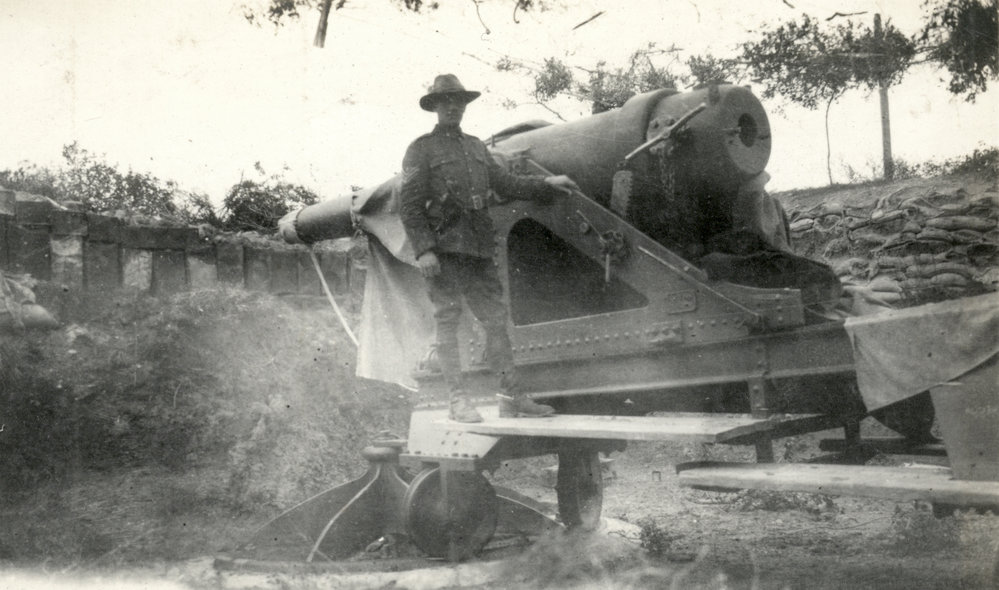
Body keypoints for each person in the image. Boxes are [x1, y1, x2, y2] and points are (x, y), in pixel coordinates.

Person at [400, 74, 579, 423]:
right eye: (446, 101)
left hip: (479, 249)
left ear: (465, 105)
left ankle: (511, 396)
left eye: (459, 100)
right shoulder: (421, 149)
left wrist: (546, 183)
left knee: (496, 322)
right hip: (444, 249)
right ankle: (457, 401)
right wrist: (424, 250)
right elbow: (409, 206)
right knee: (448, 322)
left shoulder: (476, 148)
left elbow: (505, 183)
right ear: (435, 106)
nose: (453, 106)